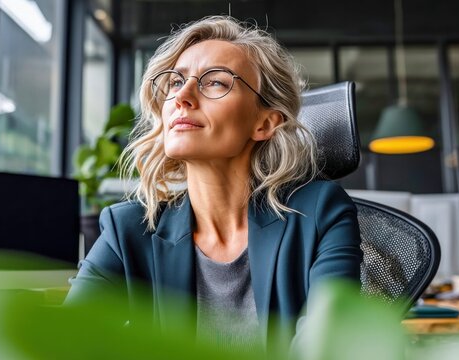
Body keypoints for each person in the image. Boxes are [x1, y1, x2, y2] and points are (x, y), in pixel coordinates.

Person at [65, 15, 362, 350]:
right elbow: (64, 344)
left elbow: (326, 346)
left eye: (216, 82)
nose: (183, 97)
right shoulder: (127, 230)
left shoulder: (321, 213)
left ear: (264, 122)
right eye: (175, 83)